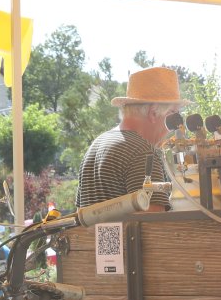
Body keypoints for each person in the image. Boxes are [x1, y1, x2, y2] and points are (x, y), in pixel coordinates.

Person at [76, 66, 180, 213]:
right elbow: (155, 223)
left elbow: (81, 216)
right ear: (153, 113)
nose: (174, 127)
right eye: (173, 114)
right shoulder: (142, 152)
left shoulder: (96, 145)